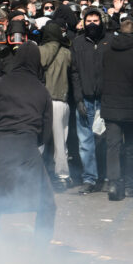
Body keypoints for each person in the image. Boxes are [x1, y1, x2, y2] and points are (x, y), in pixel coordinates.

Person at [0, 42, 56, 242]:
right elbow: (46, 132)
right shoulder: (42, 91)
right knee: (47, 204)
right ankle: (40, 252)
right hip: (27, 151)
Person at [99, 17, 133, 201]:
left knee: (113, 145)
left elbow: (101, 75)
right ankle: (128, 182)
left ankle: (113, 182)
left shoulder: (107, 52)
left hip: (110, 103)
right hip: (130, 105)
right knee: (131, 145)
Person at [68, 7, 107, 194]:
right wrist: (78, 99)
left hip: (105, 99)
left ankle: (106, 176)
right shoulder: (77, 43)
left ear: (102, 22)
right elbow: (74, 72)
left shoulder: (110, 41)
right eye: (88, 21)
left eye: (96, 21)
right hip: (85, 98)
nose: (92, 24)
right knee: (86, 142)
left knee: (105, 139)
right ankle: (89, 178)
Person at [38, 21, 73, 189]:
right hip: (61, 100)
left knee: (39, 140)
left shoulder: (39, 51)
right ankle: (62, 176)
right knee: (61, 143)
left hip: (41, 101)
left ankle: (35, 174)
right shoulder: (66, 52)